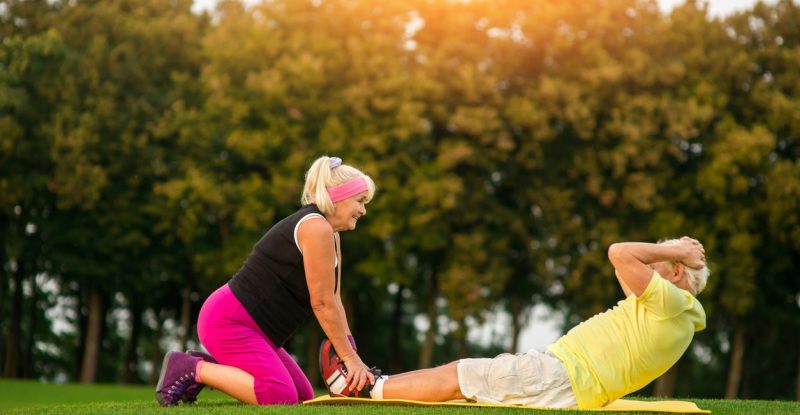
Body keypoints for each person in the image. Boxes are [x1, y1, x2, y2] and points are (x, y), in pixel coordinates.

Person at [320, 237, 709, 409]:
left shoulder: (674, 301)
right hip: (567, 378)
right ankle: (376, 385)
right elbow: (624, 269)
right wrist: (673, 252)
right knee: (465, 383)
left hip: (564, 375)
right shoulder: (670, 312)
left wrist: (676, 249)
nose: (652, 261)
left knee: (460, 374)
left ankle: (366, 387)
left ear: (675, 272)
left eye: (662, 259)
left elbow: (619, 253)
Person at [156, 156, 379, 406]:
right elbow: (322, 303)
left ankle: (205, 369)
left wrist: (351, 353)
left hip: (258, 333)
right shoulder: (315, 228)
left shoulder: (330, 234)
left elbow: (334, 299)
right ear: (339, 196)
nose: (363, 210)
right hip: (228, 322)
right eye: (360, 201)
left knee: (302, 396)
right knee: (279, 397)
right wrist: (350, 358)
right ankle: (191, 368)